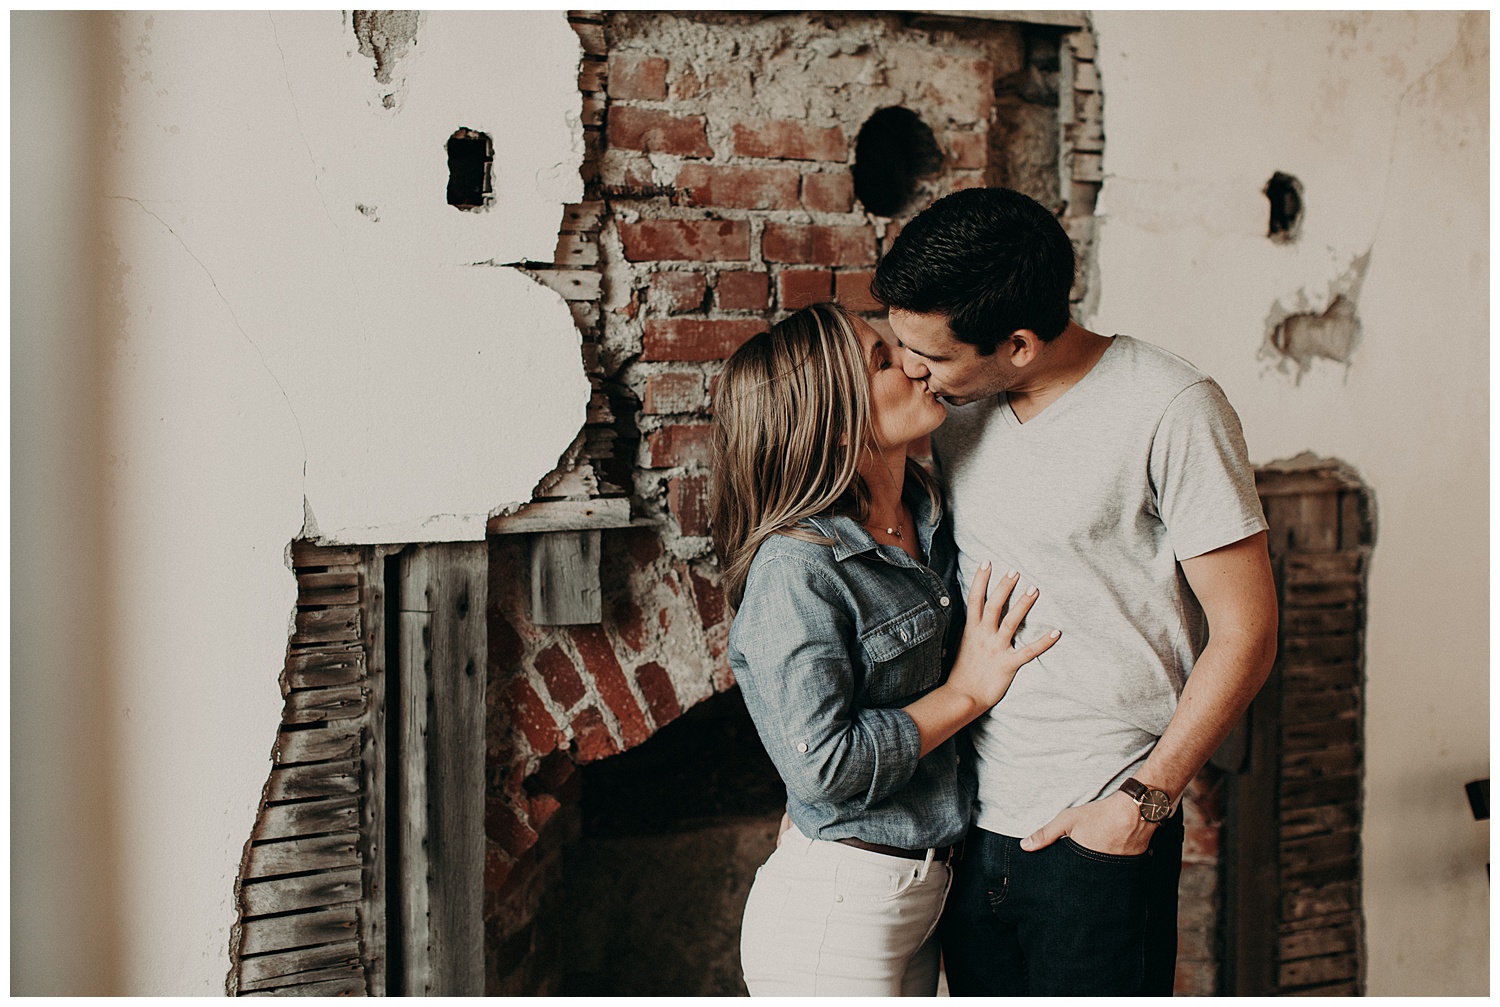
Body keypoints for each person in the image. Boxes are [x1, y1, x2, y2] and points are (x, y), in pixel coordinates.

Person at [869, 186, 1280, 996]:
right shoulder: (950, 409)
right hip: (964, 825)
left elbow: (1247, 630)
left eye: (935, 355)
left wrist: (1142, 803)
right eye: (902, 347)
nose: (914, 370)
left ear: (1018, 344)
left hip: (1097, 829)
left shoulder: (1172, 407)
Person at [710, 302, 1060, 996]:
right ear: (832, 416)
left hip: (923, 896)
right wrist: (964, 693)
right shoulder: (797, 569)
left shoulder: (927, 512)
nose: (913, 361)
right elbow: (825, 764)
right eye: (881, 359)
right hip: (837, 913)